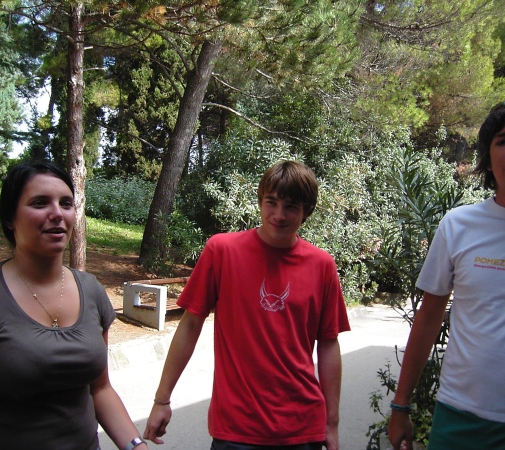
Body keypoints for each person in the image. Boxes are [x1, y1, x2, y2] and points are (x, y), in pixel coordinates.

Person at [143, 161, 351, 450]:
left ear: (307, 210)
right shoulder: (222, 251)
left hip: (303, 429)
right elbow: (190, 325)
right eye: (271, 202)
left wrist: (332, 423)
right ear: (260, 201)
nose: (278, 215)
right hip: (236, 429)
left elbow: (328, 344)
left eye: (291, 206)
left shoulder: (322, 265)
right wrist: (162, 399)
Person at [387, 100, 505, 450]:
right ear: (488, 158)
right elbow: (428, 319)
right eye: (502, 141)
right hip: (458, 420)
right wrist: (401, 406)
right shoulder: (458, 226)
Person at [0, 161, 148, 450]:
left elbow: (101, 389)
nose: (57, 213)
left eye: (66, 203)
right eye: (40, 203)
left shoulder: (92, 291)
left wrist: (136, 445)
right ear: (10, 218)